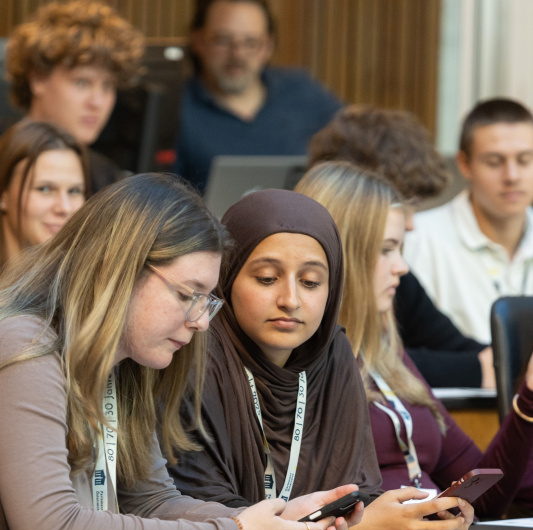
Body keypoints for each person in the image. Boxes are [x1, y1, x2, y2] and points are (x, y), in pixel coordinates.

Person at [0, 173, 364, 530]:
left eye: (206, 301)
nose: (201, 322)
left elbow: (152, 501)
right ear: (115, 269)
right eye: (187, 295)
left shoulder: (125, 366)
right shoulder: (27, 344)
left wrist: (278, 527)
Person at [170, 187, 474, 530]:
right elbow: (194, 510)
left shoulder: (333, 354)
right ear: (227, 277)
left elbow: (356, 495)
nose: (291, 300)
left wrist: (411, 520)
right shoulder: (190, 357)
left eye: (311, 282)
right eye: (267, 278)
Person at [296, 161, 533, 516]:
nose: (402, 267)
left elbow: (484, 495)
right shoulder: (297, 362)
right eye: (387, 248)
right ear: (344, 252)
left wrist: (528, 397)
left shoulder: (388, 354)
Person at [307, 104, 493, 389]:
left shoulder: (395, 274)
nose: (411, 224)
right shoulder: (307, 283)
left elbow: (455, 345)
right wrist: (475, 370)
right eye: (400, 204)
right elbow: (358, 356)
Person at [175, 0, 342, 192]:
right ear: (198, 41)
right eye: (222, 40)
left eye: (251, 43)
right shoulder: (173, 108)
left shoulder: (302, 91)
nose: (237, 54)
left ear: (268, 46)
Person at [404, 98, 533, 343]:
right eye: (494, 162)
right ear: (464, 164)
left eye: (525, 160)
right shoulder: (419, 238)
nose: (512, 176)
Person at [5, 0, 144, 193]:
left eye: (107, 85)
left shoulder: (106, 176)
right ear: (38, 80)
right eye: (82, 82)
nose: (97, 102)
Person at [0, 119, 88, 268]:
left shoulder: (86, 285)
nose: (64, 208)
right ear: (3, 194)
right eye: (45, 189)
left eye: (74, 191)